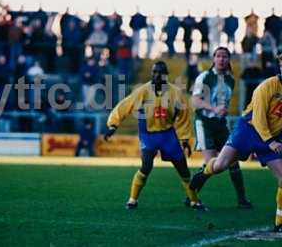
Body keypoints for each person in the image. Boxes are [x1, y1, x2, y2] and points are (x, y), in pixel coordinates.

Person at [189, 51, 282, 232]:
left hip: (270, 136)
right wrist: (270, 141)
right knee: (220, 165)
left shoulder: (230, 79)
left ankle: (279, 222)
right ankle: (204, 172)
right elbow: (259, 117)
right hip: (248, 129)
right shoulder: (267, 86)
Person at [104, 61, 205, 210]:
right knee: (146, 166)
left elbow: (183, 116)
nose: (156, 75)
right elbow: (125, 105)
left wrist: (184, 139)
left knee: (183, 168)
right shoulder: (142, 91)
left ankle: (194, 201)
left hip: (168, 134)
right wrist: (113, 124)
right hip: (148, 134)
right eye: (154, 72)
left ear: (166, 75)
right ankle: (132, 200)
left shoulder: (176, 93)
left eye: (160, 72)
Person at [192, 47, 252, 208]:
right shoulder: (204, 76)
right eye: (218, 56)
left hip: (221, 125)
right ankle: (191, 195)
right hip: (204, 123)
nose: (221, 59)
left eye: (225, 57)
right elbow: (195, 101)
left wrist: (222, 110)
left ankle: (242, 199)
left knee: (233, 161)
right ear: (213, 59)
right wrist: (214, 109)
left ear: (228, 60)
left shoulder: (230, 79)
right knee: (211, 163)